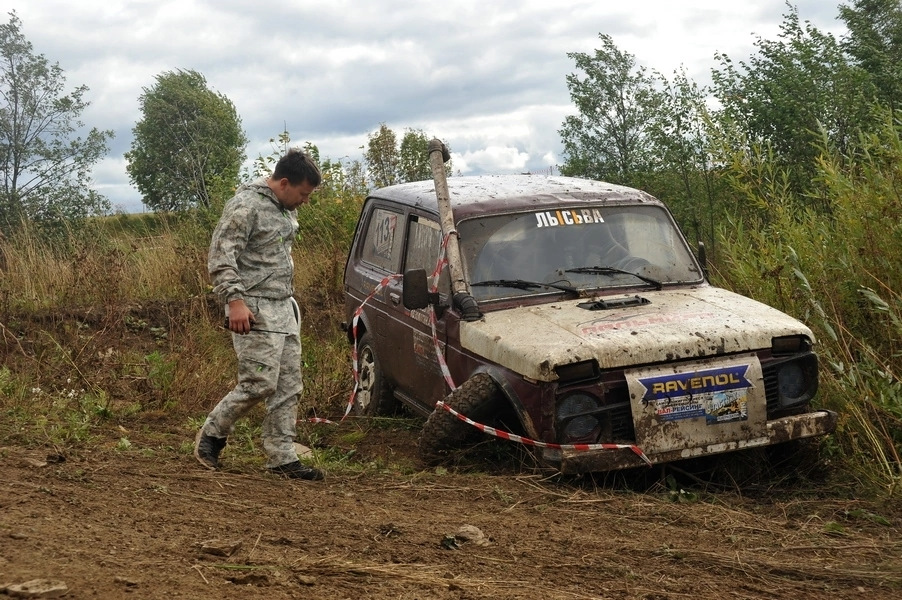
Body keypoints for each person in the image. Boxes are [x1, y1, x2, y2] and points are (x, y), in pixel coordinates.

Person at [194, 149, 324, 480]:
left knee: (288, 386)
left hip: (283, 306)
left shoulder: (282, 208)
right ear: (283, 183)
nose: (304, 202)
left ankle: (281, 457)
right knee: (259, 383)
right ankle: (212, 434)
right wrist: (235, 302)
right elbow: (221, 257)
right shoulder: (246, 206)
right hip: (253, 307)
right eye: (303, 194)